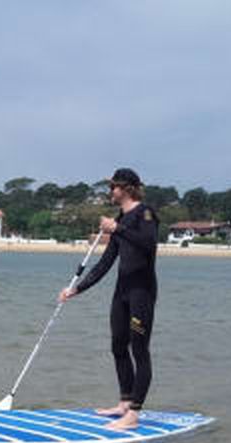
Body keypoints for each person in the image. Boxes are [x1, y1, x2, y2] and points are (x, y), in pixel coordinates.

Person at [58, 168, 159, 429]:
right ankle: (125, 402)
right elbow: (104, 263)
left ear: (126, 188)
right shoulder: (121, 218)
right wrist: (76, 289)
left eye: (113, 187)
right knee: (117, 345)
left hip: (142, 292)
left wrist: (117, 228)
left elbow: (148, 243)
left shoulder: (145, 213)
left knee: (139, 350)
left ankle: (134, 415)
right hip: (122, 292)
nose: (110, 192)